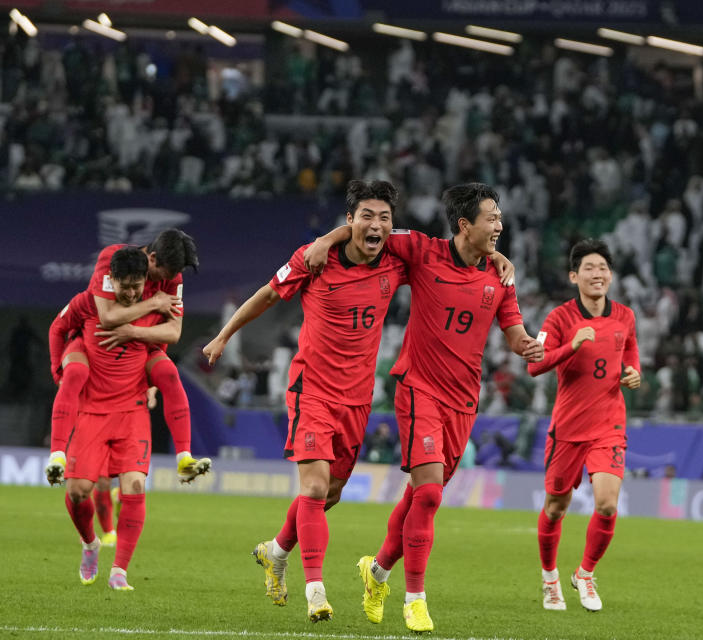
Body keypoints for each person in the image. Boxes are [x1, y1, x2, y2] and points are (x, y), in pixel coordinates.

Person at [203, 180, 512, 623]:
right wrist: (223, 336)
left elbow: (451, 259)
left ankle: (275, 551)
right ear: (349, 221)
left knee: (328, 494)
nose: (377, 225)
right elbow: (270, 294)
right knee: (312, 487)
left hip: (358, 399)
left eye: (385, 218)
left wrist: (493, 254)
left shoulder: (394, 263)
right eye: (367, 216)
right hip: (311, 389)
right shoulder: (315, 260)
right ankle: (315, 590)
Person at [306, 182, 543, 632]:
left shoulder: (500, 275)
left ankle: (376, 572)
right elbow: (365, 231)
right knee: (430, 492)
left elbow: (512, 331)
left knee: (420, 495)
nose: (499, 226)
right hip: (418, 388)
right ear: (464, 225)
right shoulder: (422, 250)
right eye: (491, 218)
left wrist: (526, 345)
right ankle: (415, 599)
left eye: (499, 217)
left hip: (463, 400)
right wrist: (324, 240)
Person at [526, 238, 641, 612]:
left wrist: (633, 370)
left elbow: (631, 347)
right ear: (574, 276)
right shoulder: (559, 319)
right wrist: (571, 346)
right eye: (589, 268)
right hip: (568, 429)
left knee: (607, 505)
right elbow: (534, 365)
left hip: (609, 425)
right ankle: (549, 579)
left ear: (611, 276)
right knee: (556, 507)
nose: (598, 274)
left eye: (603, 268)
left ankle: (586, 574)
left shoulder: (625, 315)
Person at [46, 229, 210, 488]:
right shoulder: (112, 260)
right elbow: (108, 318)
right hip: (94, 346)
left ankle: (184, 457)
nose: (170, 281)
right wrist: (154, 303)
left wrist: (135, 336)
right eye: (165, 274)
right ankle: (57, 454)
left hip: (137, 348)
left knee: (168, 373)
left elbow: (173, 332)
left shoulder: (172, 277)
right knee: (75, 375)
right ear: (152, 259)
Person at [62, 248, 178, 590]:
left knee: (135, 486)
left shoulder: (163, 298)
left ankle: (119, 571)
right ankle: (90, 543)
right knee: (80, 491)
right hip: (93, 410)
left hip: (132, 409)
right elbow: (60, 328)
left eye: (137, 286)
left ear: (146, 280)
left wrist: (151, 379)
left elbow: (170, 336)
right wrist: (62, 367)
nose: (131, 292)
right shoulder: (91, 303)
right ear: (112, 281)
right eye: (125, 286)